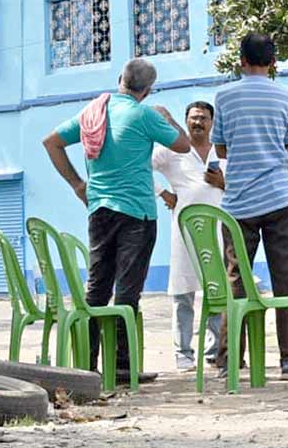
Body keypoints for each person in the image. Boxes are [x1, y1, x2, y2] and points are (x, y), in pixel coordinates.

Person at [42, 58, 190, 383]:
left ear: (120, 78)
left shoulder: (93, 112)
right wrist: (168, 118)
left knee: (96, 290)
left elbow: (51, 142)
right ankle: (122, 367)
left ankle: (87, 369)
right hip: (137, 212)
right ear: (148, 90)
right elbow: (183, 144)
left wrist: (77, 185)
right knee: (127, 294)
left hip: (99, 210)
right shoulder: (144, 114)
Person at [211, 33, 288, 381]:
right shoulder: (287, 97)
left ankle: (229, 360)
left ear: (241, 61)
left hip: (239, 204)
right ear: (272, 63)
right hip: (281, 199)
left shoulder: (224, 96)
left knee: (236, 282)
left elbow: (221, 149)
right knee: (286, 283)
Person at [152, 101, 225, 372]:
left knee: (216, 291)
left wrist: (222, 183)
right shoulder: (172, 151)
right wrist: (163, 193)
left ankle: (213, 351)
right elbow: (137, 166)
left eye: (204, 118)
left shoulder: (222, 151)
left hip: (218, 232)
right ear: (185, 121)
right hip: (184, 235)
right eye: (193, 118)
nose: (198, 123)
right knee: (183, 295)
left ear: (212, 123)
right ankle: (183, 354)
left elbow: (240, 185)